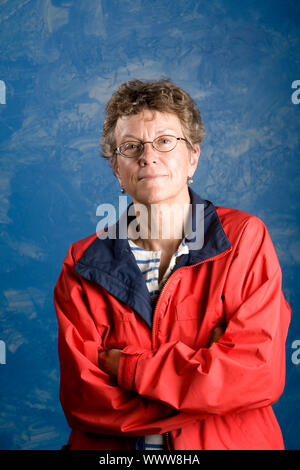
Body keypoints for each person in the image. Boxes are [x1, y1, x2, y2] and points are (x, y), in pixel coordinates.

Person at [54, 78, 291, 450]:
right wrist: (208, 387)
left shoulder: (243, 239)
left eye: (165, 141)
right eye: (131, 147)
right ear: (117, 168)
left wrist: (126, 367)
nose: (148, 156)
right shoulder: (82, 263)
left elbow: (256, 374)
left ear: (193, 156)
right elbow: (86, 402)